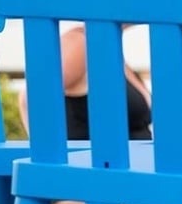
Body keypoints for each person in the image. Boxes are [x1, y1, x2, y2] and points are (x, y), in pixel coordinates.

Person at [18, 21, 152, 141]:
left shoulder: (108, 44)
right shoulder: (82, 42)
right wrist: (46, 156)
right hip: (93, 165)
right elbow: (33, 95)